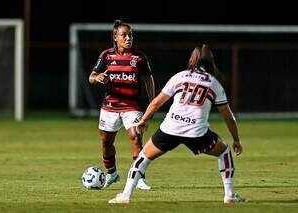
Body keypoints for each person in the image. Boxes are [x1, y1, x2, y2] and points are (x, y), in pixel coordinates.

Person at [108, 44, 248, 204]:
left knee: (143, 158)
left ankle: (126, 195)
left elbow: (155, 102)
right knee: (224, 152)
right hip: (197, 132)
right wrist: (236, 139)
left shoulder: (180, 76)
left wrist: (144, 120)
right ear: (211, 62)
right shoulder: (214, 83)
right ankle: (229, 195)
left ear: (192, 59)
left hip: (171, 128)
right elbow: (228, 116)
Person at [89, 20, 155, 190]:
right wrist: (97, 78)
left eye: (130, 35)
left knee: (136, 138)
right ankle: (112, 174)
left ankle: (138, 177)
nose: (128, 38)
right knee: (106, 143)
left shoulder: (139, 57)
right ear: (115, 37)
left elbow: (148, 79)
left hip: (132, 106)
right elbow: (92, 76)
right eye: (124, 35)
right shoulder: (106, 55)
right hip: (110, 106)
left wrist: (152, 101)